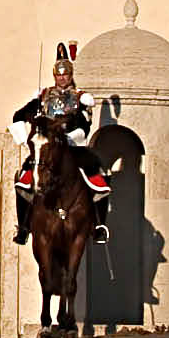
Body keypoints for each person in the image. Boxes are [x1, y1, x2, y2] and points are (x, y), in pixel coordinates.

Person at [8, 43, 112, 245]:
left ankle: (99, 225)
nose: (62, 78)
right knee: (23, 179)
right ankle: (23, 227)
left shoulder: (79, 97)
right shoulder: (44, 96)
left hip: (73, 146)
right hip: (47, 147)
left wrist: (72, 135)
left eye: (66, 74)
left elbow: (84, 123)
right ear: (54, 76)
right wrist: (22, 138)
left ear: (71, 75)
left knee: (98, 175)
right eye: (59, 75)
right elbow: (18, 115)